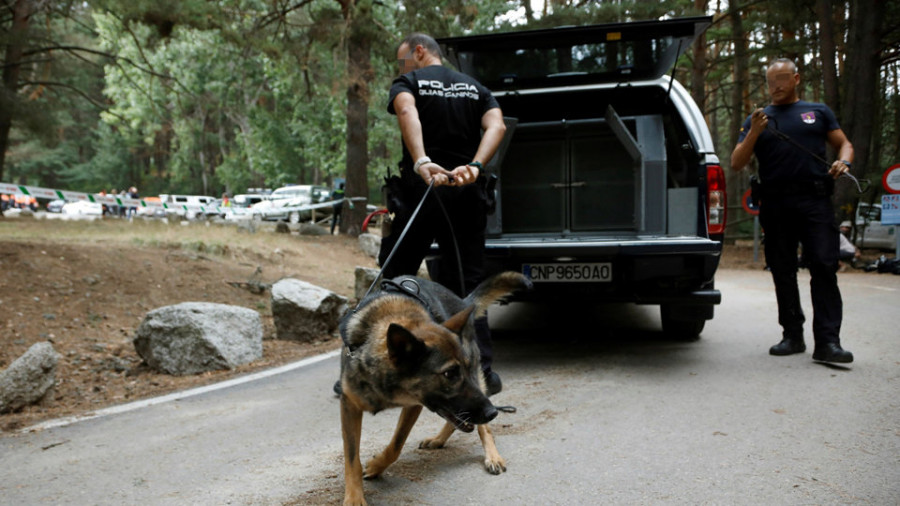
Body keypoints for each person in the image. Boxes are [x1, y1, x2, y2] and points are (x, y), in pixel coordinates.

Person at [380, 33, 507, 394]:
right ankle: (483, 373)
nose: (399, 67)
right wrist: (475, 166)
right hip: (466, 195)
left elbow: (406, 110)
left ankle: (383, 368)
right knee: (466, 286)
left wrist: (422, 161)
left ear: (419, 51)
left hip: (422, 193)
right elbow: (496, 125)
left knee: (396, 279)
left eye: (402, 58)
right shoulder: (475, 87)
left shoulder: (409, 81)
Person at [731, 58, 854, 363]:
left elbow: (845, 144)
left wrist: (845, 161)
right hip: (775, 204)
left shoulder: (818, 112)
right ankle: (792, 336)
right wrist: (754, 132)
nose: (777, 86)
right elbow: (736, 162)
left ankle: (828, 342)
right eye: (771, 81)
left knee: (824, 266)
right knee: (782, 270)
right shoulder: (757, 118)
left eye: (783, 79)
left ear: (796, 78)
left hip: (815, 201)